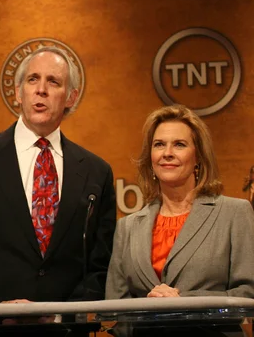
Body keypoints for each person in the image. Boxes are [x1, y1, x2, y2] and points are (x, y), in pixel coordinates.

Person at [0, 45, 117, 306]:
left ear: (71, 97)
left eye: (53, 81)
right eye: (32, 79)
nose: (41, 89)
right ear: (18, 92)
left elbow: (101, 265)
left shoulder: (97, 172)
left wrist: (62, 315)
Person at [106, 105, 254, 300]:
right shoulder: (127, 227)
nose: (167, 153)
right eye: (159, 144)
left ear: (198, 157)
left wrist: (182, 302)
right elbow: (115, 307)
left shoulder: (234, 214)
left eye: (179, 145)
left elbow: (248, 293)